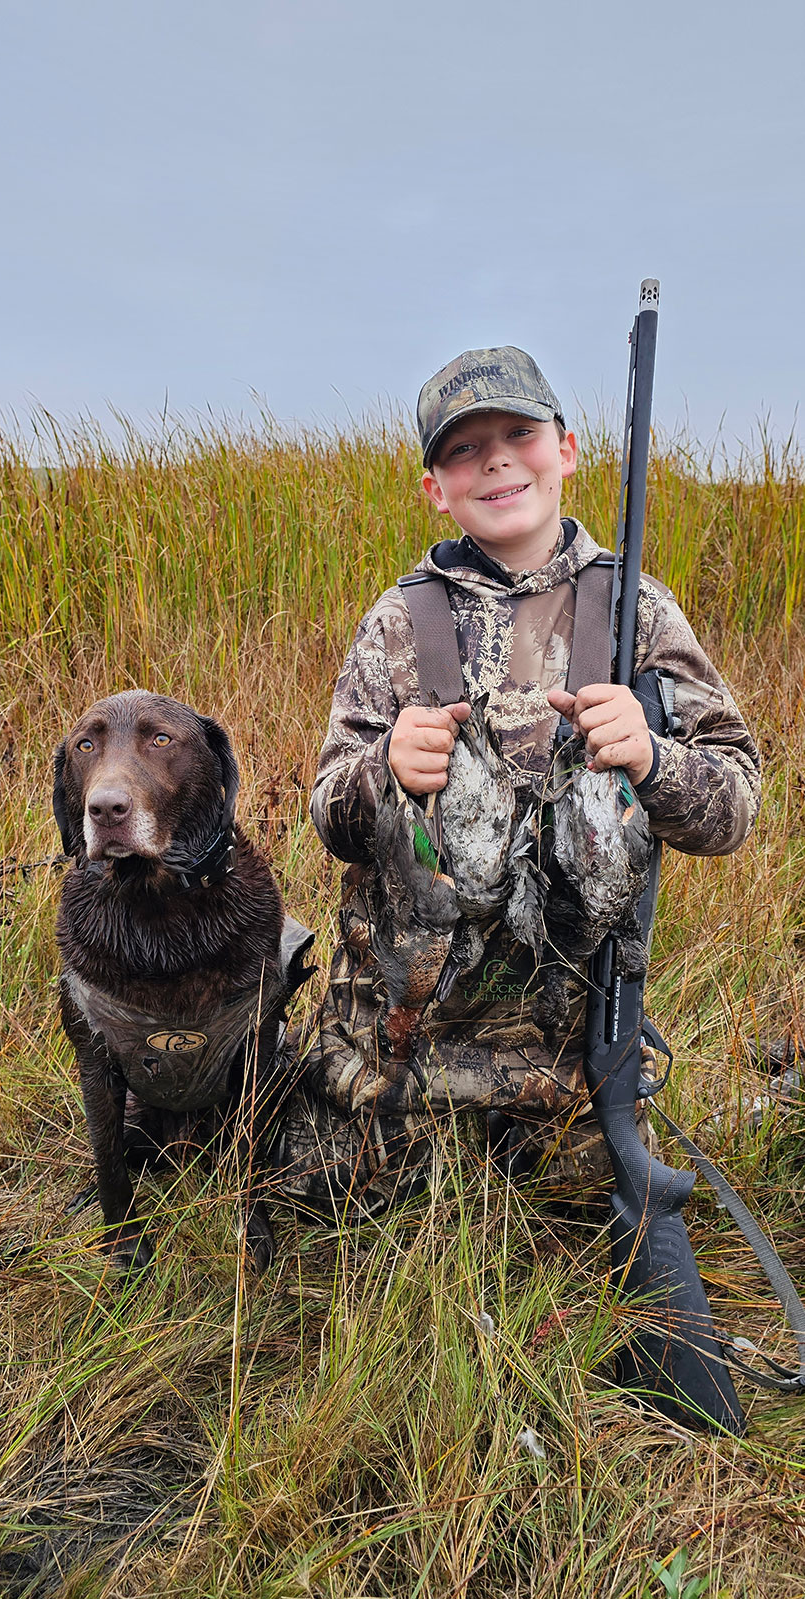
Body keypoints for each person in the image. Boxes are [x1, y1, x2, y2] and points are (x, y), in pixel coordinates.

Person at [277, 347, 760, 1217]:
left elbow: (735, 804)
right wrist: (386, 769)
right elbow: (328, 810)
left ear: (566, 451)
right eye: (465, 448)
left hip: (569, 1060)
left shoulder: (636, 610)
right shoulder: (400, 621)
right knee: (323, 1215)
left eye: (519, 433)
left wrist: (653, 755)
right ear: (435, 487)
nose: (497, 459)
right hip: (404, 1052)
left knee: (590, 1235)